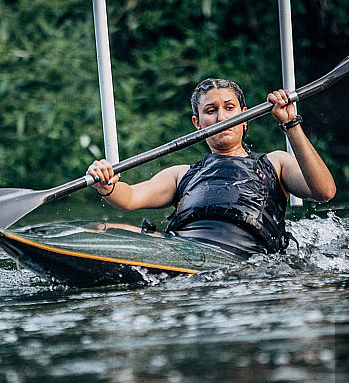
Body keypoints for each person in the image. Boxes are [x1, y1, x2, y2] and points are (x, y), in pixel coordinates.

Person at [86, 78, 336, 258]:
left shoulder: (276, 163)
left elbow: (324, 191)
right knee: (100, 229)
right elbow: (128, 197)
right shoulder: (181, 174)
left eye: (230, 108)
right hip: (183, 252)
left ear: (245, 116)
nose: (221, 118)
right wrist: (107, 184)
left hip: (247, 258)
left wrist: (291, 124)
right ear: (197, 123)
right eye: (211, 111)